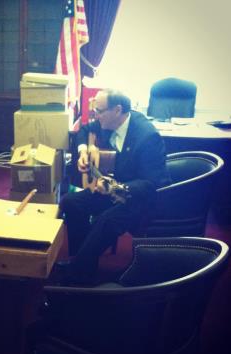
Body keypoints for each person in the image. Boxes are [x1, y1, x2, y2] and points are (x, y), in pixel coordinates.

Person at [56, 88, 171, 286]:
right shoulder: (109, 122)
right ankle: (83, 262)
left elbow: (152, 183)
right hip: (111, 188)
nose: (95, 115)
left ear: (117, 110)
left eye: (99, 111)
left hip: (137, 198)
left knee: (107, 220)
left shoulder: (147, 137)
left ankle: (76, 274)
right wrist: (83, 151)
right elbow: (84, 130)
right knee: (70, 202)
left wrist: (114, 188)